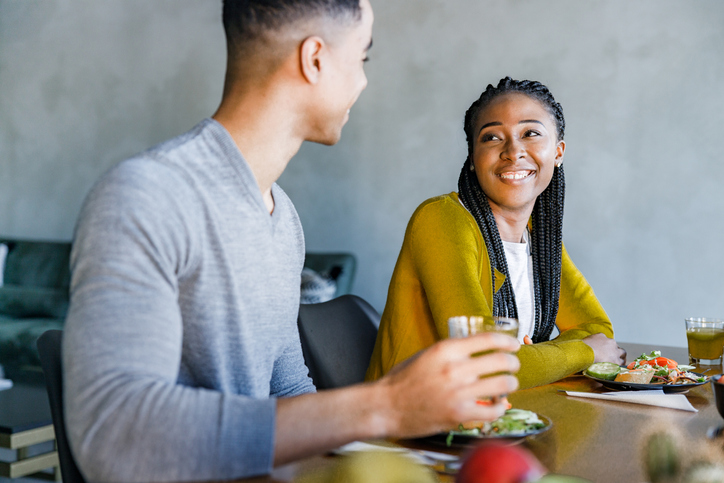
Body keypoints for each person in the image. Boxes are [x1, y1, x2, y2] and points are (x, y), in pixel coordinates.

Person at [62, 1, 521, 482]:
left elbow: (287, 388)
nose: (363, 81)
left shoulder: (283, 218)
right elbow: (117, 438)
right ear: (315, 59)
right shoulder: (147, 196)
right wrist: (387, 405)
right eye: (361, 58)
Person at [366, 77, 626, 390]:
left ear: (558, 152)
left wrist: (530, 359)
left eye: (530, 133)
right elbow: (484, 364)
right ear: (474, 159)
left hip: (499, 417)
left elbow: (597, 330)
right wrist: (583, 353)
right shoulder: (441, 220)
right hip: (411, 429)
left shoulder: (540, 240)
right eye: (491, 138)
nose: (513, 151)